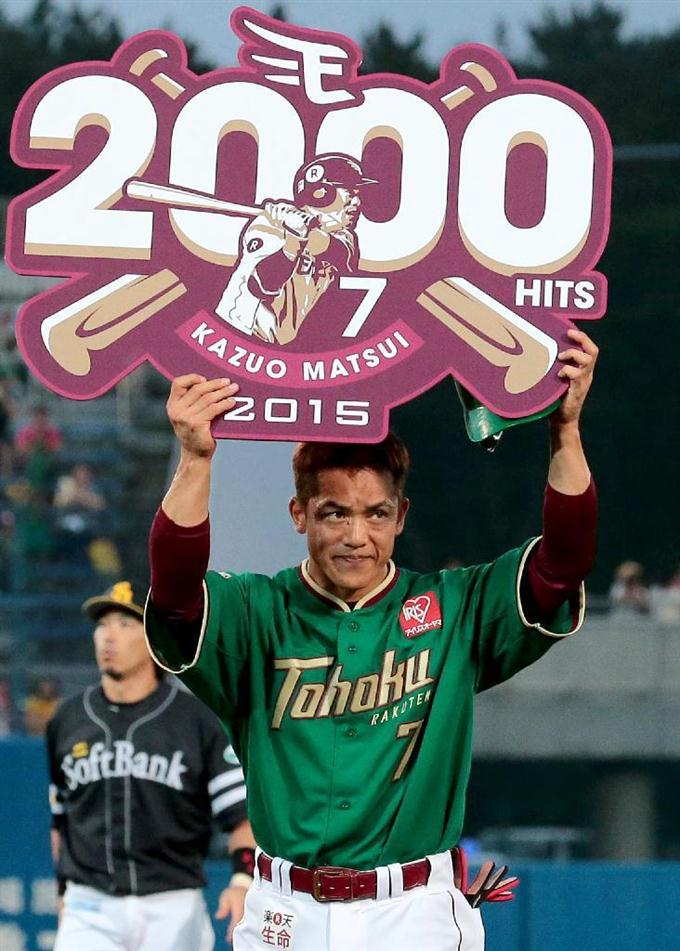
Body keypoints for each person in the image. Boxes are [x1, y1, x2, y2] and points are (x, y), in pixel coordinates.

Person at [145, 328, 599, 950]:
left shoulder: (455, 607)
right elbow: (174, 594)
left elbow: (562, 567)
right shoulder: (255, 612)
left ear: (401, 516)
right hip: (286, 909)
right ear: (299, 515)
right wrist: (196, 460)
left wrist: (565, 432)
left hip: (413, 911)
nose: (356, 536)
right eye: (335, 513)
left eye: (376, 513)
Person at [46, 580, 257, 951]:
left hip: (172, 903)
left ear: (153, 638)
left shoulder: (195, 719)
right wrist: (64, 890)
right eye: (102, 624)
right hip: (90, 903)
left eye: (125, 624)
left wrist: (242, 881)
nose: (109, 635)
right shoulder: (68, 718)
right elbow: (62, 819)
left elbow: (241, 816)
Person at [215, 153, 375, 344]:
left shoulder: (343, 235)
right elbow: (261, 285)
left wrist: (302, 232)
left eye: (358, 195)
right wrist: (292, 241)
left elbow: (337, 254)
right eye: (351, 193)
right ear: (321, 193)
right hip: (240, 331)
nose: (357, 203)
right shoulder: (268, 226)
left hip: (282, 341)